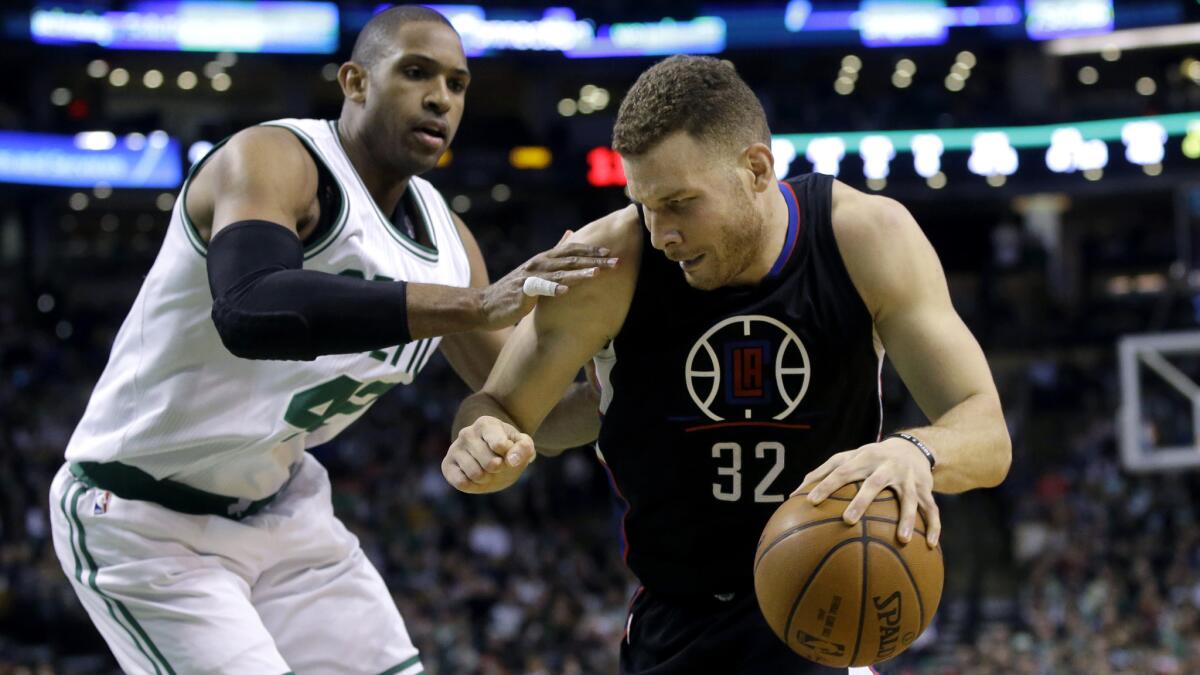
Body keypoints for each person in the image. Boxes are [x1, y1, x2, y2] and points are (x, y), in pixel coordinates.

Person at [48, 6, 611, 674]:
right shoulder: (274, 157)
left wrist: (625, 388)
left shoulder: (448, 242)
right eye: (416, 72)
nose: (440, 97)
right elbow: (251, 305)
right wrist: (478, 303)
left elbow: (533, 410)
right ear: (355, 82)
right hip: (143, 518)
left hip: (287, 516)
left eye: (458, 84)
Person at [443, 55, 1012, 674]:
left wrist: (915, 452)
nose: (662, 232)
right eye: (644, 204)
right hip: (677, 619)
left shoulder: (866, 236)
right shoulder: (606, 263)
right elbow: (501, 408)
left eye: (681, 202)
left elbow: (986, 435)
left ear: (757, 169)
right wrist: (484, 441)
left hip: (826, 605)